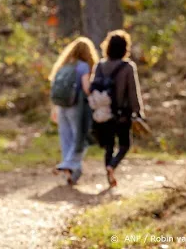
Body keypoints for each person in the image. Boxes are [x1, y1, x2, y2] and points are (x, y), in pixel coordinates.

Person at [91, 30, 145, 188]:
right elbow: (133, 91)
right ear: (124, 48)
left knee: (109, 145)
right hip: (122, 113)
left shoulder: (100, 65)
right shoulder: (128, 67)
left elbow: (94, 87)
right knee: (124, 144)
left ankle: (109, 171)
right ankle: (112, 166)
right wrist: (138, 111)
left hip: (104, 112)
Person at [49, 37, 99, 185]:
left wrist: (54, 109)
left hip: (61, 106)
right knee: (81, 139)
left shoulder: (64, 66)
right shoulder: (83, 66)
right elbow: (86, 88)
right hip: (76, 107)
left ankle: (71, 173)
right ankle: (68, 165)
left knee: (66, 139)